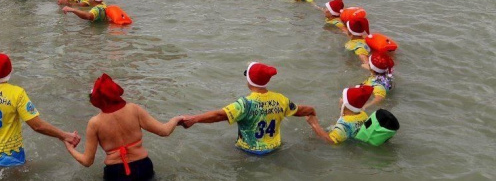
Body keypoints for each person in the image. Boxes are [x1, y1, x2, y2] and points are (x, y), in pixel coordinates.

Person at [180, 62, 316, 155]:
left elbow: (219, 115)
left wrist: (194, 119)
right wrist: (311, 111)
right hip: (275, 149)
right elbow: (299, 110)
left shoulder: (245, 104)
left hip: (248, 151)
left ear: (249, 80)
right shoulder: (281, 99)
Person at [65, 74, 182, 180]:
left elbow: (87, 161)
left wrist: (70, 148)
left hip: (116, 173)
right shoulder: (134, 109)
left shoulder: (94, 123)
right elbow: (164, 131)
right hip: (143, 167)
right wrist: (176, 119)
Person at [306, 85, 373, 144]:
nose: (339, 99)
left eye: (341, 97)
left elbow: (330, 141)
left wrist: (314, 124)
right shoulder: (363, 114)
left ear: (346, 105)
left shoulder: (344, 125)